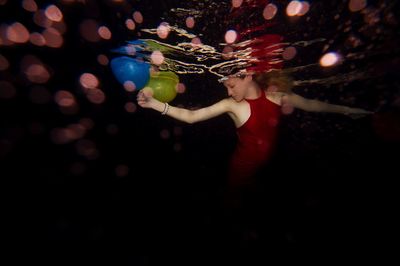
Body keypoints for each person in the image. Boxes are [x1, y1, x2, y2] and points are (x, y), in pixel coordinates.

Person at [137, 70, 372, 189]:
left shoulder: (277, 96)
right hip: (240, 169)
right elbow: (191, 116)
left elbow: (313, 105)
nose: (228, 92)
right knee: (233, 205)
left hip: (268, 165)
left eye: (231, 85)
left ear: (248, 75)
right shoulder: (232, 105)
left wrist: (346, 109)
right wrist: (155, 104)